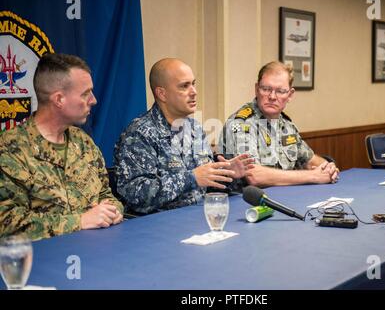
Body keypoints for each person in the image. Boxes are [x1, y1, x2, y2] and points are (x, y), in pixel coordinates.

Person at [0, 53, 123, 241]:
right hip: (42, 262)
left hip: (98, 253)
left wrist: (113, 210)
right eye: (85, 93)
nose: (93, 100)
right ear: (59, 99)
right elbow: (7, 223)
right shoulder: (10, 149)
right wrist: (79, 221)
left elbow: (105, 194)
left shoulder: (83, 142)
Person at [114, 58, 253, 215]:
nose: (194, 92)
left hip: (198, 217)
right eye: (184, 86)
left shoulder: (195, 128)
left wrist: (227, 174)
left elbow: (205, 185)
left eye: (193, 84)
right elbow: (135, 195)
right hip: (158, 226)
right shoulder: (140, 134)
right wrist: (191, 178)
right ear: (162, 94)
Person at [218, 61, 339, 188]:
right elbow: (254, 175)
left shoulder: (286, 125)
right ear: (256, 89)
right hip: (247, 203)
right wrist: (314, 176)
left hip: (285, 198)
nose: (272, 96)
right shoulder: (241, 124)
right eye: (266, 89)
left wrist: (328, 168)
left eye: (280, 91)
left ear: (290, 95)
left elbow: (310, 160)